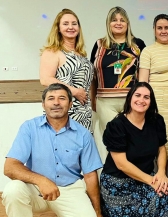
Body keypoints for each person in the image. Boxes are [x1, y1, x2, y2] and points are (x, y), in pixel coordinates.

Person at [1, 83, 103, 217]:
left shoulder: (83, 134)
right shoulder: (29, 128)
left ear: (70, 103)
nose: (56, 103)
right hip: (36, 189)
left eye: (62, 98)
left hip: (70, 189)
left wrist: (97, 211)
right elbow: (10, 167)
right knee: (12, 190)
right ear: (43, 104)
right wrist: (41, 181)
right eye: (51, 98)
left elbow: (90, 175)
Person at [100, 82, 168, 217]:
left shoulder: (156, 121)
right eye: (137, 95)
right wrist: (152, 181)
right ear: (130, 98)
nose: (141, 100)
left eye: (146, 97)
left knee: (164, 196)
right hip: (117, 183)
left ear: (151, 101)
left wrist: (161, 173)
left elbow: (161, 148)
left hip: (145, 178)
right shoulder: (116, 126)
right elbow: (121, 164)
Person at [139, 14, 168, 208]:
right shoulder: (148, 51)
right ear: (154, 30)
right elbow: (143, 82)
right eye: (159, 28)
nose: (163, 31)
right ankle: (161, 186)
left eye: (167, 27)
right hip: (156, 105)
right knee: (157, 147)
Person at [90, 6, 146, 161]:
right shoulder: (100, 44)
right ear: (108, 24)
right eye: (114, 20)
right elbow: (93, 77)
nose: (118, 23)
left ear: (128, 23)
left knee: (133, 141)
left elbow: (144, 76)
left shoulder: (138, 45)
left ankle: (134, 181)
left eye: (122, 20)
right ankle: (113, 181)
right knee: (112, 142)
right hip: (105, 103)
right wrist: (92, 100)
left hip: (132, 101)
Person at [40, 9, 93, 131]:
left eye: (74, 24)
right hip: (63, 111)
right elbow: (46, 79)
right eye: (65, 24)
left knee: (83, 148)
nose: (70, 27)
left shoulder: (81, 54)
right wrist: (74, 91)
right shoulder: (52, 51)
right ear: (58, 28)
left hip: (84, 113)